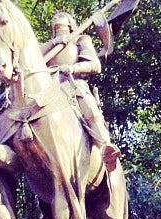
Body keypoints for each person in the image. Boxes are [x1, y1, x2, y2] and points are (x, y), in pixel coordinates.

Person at [41, 11, 121, 171]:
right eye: (55, 16)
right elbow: (32, 62)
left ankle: (105, 147)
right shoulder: (46, 45)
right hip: (47, 89)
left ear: (70, 22)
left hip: (72, 83)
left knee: (88, 105)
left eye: (61, 15)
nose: (56, 16)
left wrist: (72, 67)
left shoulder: (80, 39)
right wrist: (54, 42)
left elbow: (95, 65)